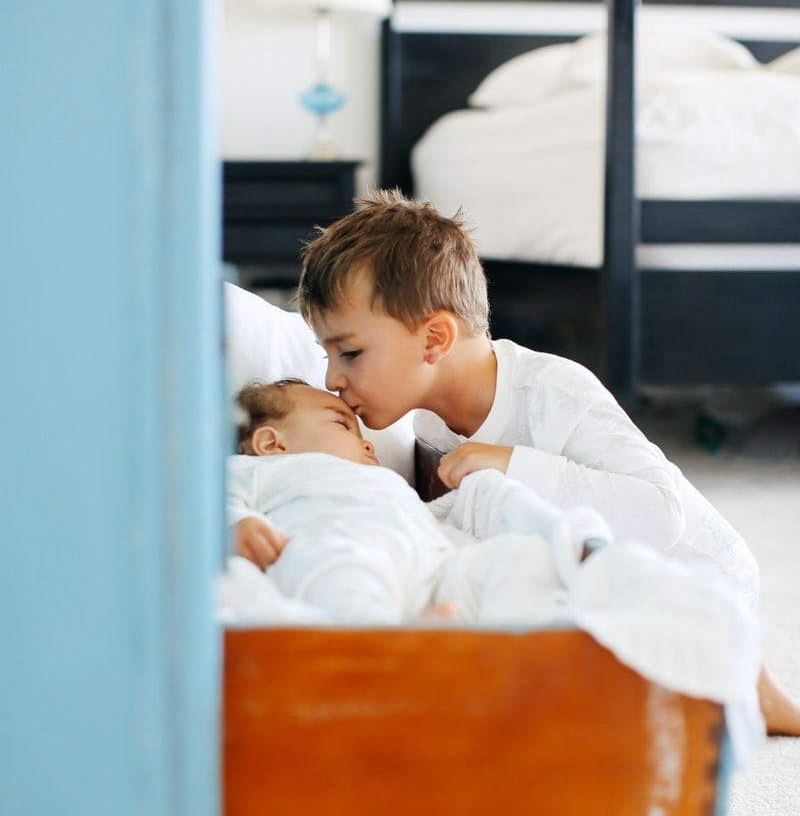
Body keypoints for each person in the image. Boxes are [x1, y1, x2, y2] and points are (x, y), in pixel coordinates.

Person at [293, 188, 800, 736]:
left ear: (434, 338)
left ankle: (746, 679)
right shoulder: (424, 422)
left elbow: (660, 511)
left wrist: (511, 463)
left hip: (695, 578)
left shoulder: (553, 391)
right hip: (577, 577)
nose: (331, 380)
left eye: (349, 353)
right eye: (326, 356)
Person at [229, 378, 613, 625]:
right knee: (342, 577)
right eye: (342, 424)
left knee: (521, 558)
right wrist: (235, 527)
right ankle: (389, 647)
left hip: (431, 563)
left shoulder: (383, 480)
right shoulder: (258, 470)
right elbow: (200, 510)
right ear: (271, 443)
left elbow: (429, 513)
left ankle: (541, 631)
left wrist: (462, 506)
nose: (365, 442)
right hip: (338, 543)